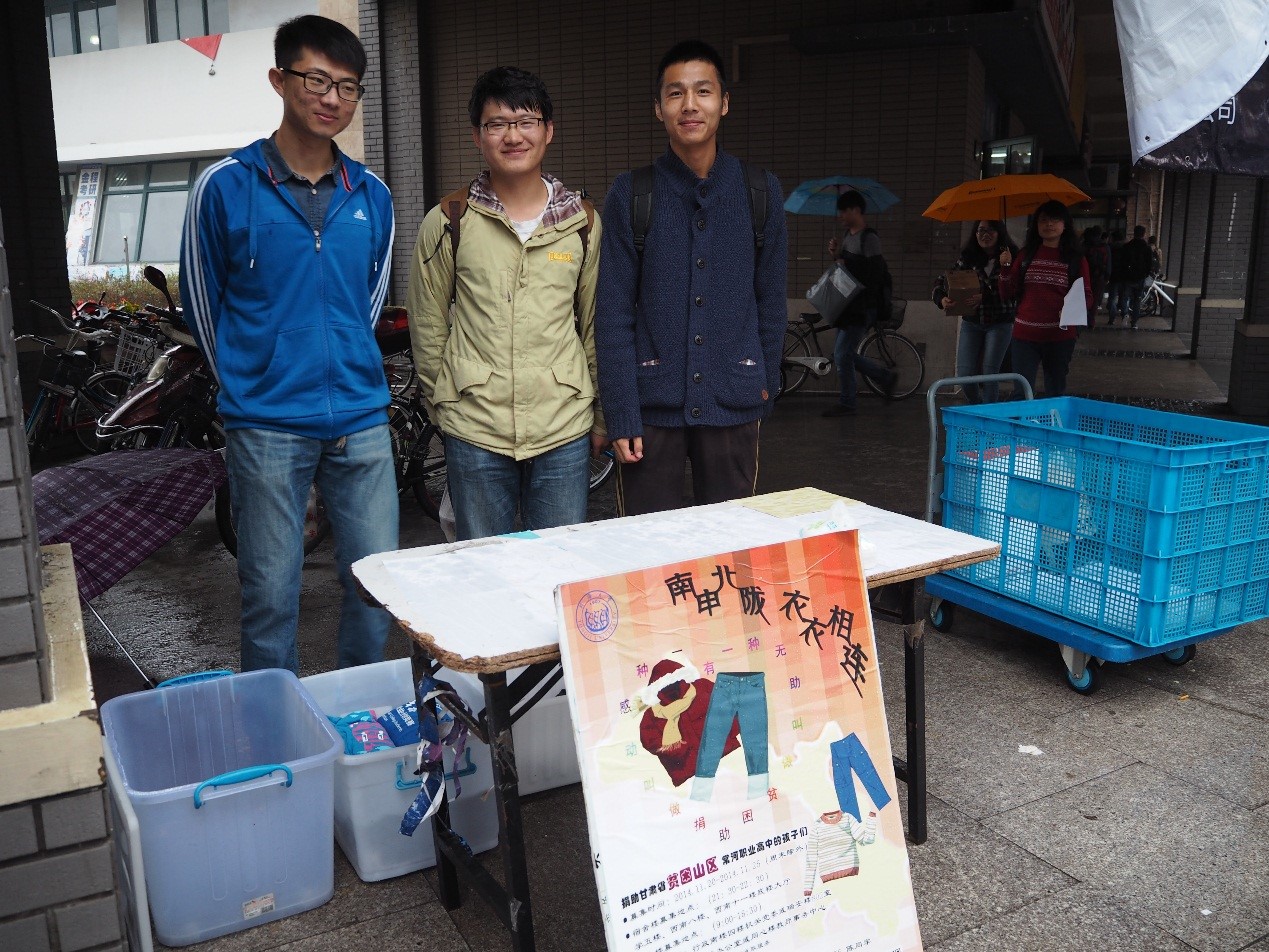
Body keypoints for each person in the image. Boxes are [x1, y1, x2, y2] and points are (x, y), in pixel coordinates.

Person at [180, 15, 398, 673]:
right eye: (317, 80)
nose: (332, 98)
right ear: (280, 80)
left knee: (376, 592)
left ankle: (359, 713)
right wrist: (251, 384)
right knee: (271, 598)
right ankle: (274, 721)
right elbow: (202, 304)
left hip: (360, 421)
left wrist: (343, 363)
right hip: (266, 426)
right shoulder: (224, 186)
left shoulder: (373, 195)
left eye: (348, 87)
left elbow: (366, 304)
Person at [406, 67, 602, 540]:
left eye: (526, 121)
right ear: (477, 136)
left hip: (563, 423)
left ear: (548, 131)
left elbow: (595, 323)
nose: (513, 136)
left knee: (559, 563)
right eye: (497, 124)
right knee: (483, 566)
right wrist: (444, 407)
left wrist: (601, 413)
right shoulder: (448, 221)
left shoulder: (582, 223)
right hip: (475, 426)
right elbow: (427, 324)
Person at [595, 40, 787, 516]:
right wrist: (621, 413)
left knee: (727, 543)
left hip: (733, 404)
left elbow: (771, 301)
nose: (690, 105)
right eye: (675, 93)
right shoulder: (632, 193)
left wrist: (760, 387)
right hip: (650, 412)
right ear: (658, 108)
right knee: (646, 543)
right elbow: (613, 312)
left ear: (724, 102)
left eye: (703, 91)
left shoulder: (759, 191)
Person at [999, 200, 1092, 397]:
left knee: (1055, 391)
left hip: (1060, 337)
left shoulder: (1075, 259)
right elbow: (1007, 293)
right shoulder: (1025, 255)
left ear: (1065, 224)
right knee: (1022, 392)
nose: (1049, 224)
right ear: (1036, 225)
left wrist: (1070, 309)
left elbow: (1086, 295)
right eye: (1043, 220)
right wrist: (1005, 268)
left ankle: (1053, 419)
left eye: (1055, 219)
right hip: (1024, 336)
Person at [821, 191, 898, 416]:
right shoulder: (848, 236)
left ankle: (848, 403)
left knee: (842, 354)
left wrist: (847, 264)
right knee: (842, 354)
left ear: (856, 210)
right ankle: (885, 377)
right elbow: (845, 269)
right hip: (848, 306)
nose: (840, 216)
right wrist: (835, 255)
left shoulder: (869, 238)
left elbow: (875, 274)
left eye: (844, 211)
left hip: (862, 307)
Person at [932, 219, 1018, 403]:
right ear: (975, 234)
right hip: (972, 322)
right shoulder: (968, 258)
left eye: (991, 230)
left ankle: (989, 415)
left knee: (989, 373)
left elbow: (1014, 290)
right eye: (981, 230)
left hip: (1000, 322)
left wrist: (1006, 267)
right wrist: (941, 298)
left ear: (1000, 233)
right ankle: (976, 406)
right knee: (965, 374)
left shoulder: (1011, 257)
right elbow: (943, 279)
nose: (985, 235)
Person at [1112, 225, 1153, 328]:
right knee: (1137, 300)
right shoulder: (1147, 248)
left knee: (1125, 297)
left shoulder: (1127, 246)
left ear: (1134, 233)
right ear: (1144, 234)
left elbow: (1122, 262)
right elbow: (1149, 264)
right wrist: (1145, 274)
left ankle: (1125, 314)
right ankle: (1134, 322)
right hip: (1140, 277)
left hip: (1128, 277)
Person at [1082, 226, 1111, 325]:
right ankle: (1091, 320)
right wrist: (1107, 277)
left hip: (1085, 275)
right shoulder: (1105, 246)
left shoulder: (1085, 245)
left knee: (1083, 297)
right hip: (1099, 277)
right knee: (1095, 299)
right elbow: (1108, 263)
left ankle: (1083, 318)